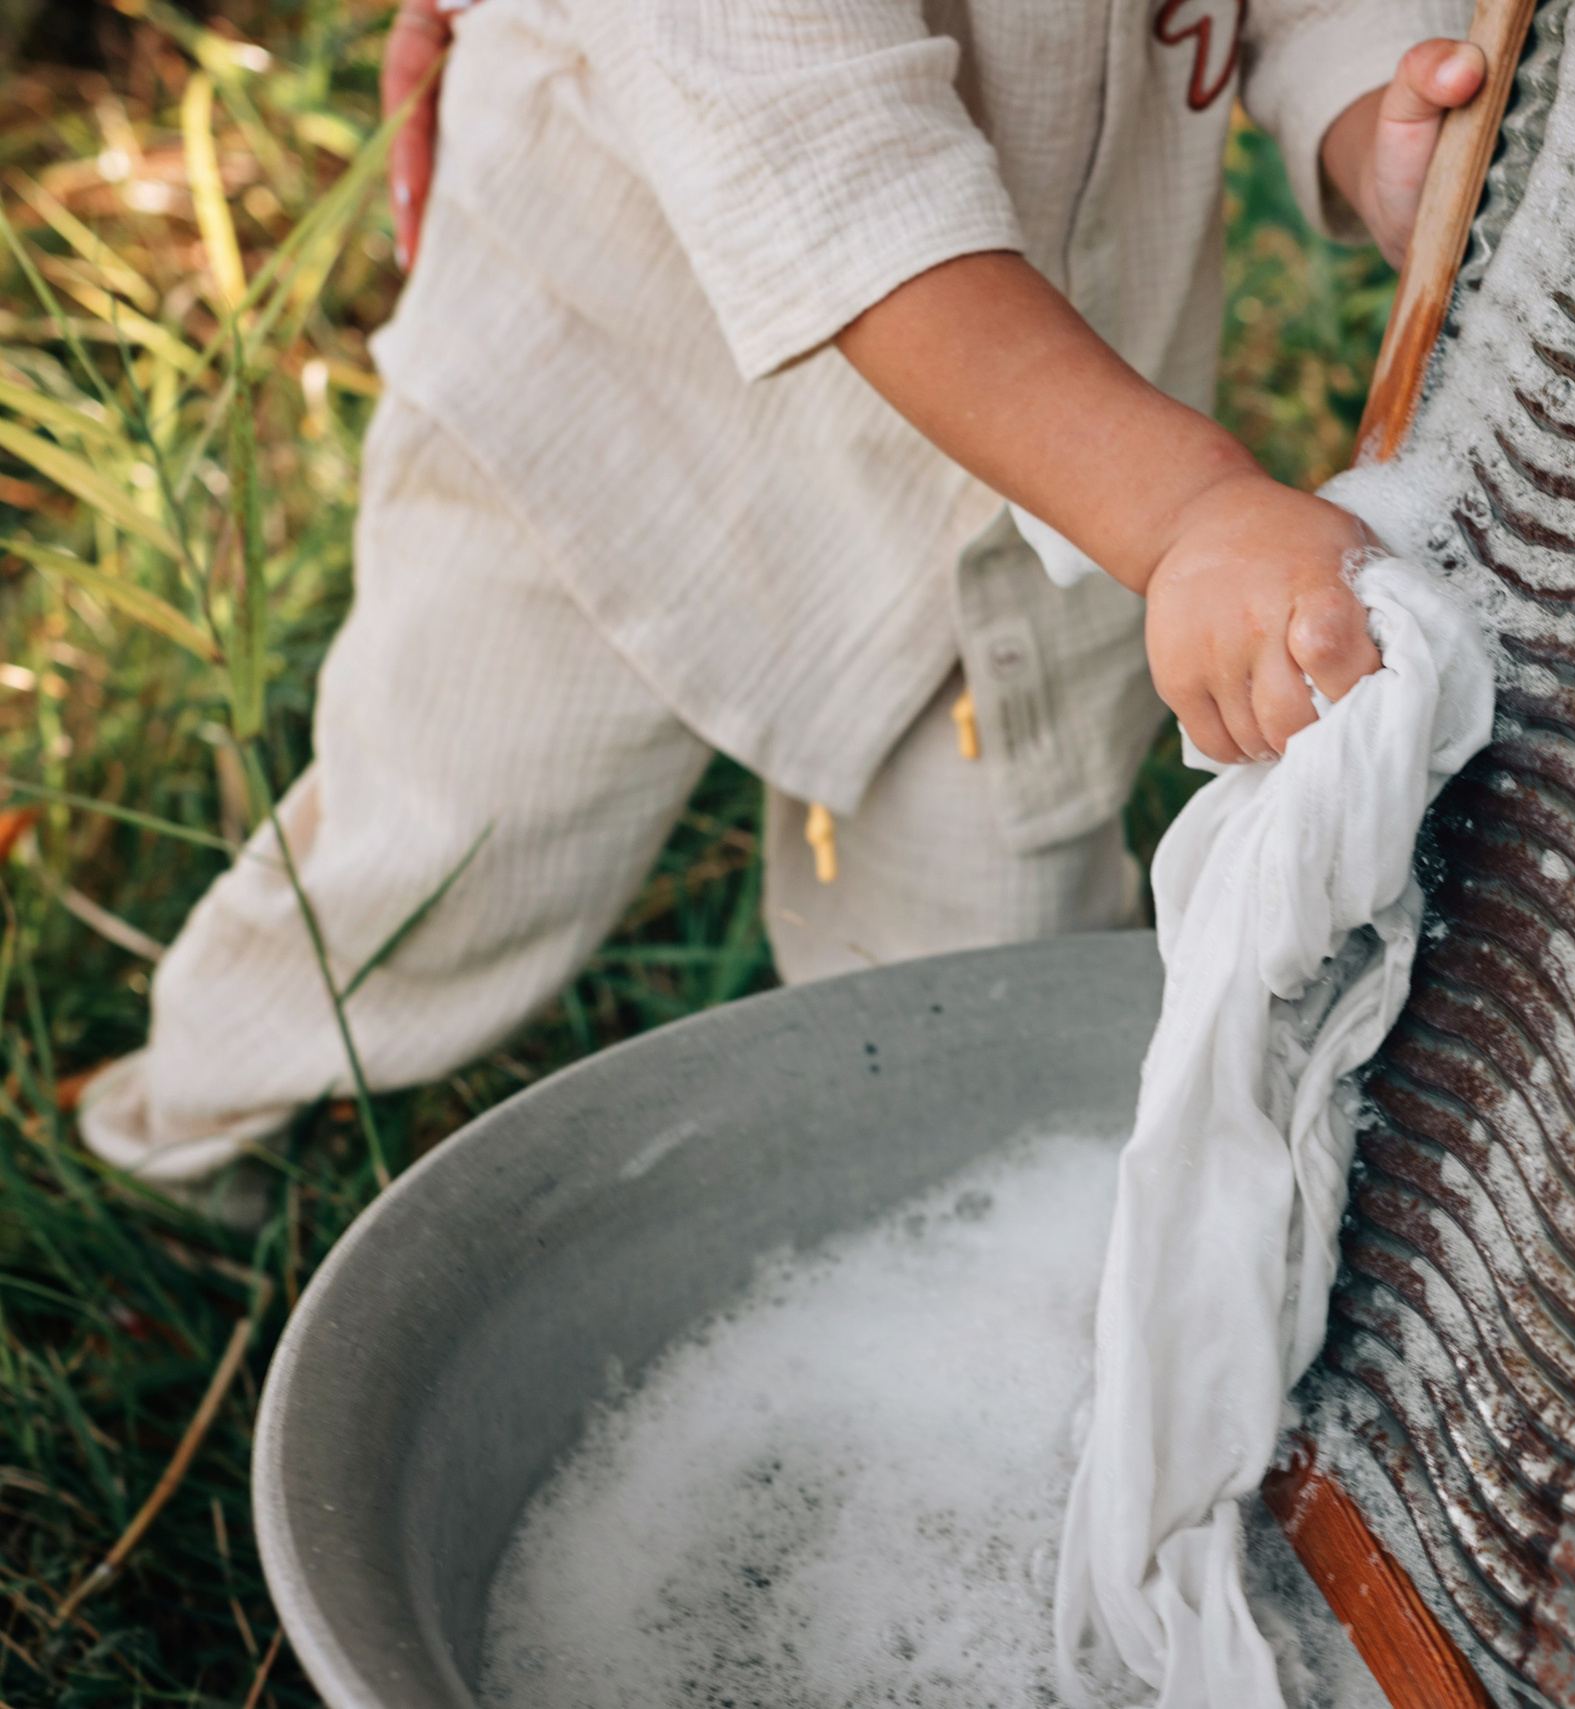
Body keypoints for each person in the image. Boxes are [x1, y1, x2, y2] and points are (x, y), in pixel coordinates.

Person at [79, 0, 1484, 1191]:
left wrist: (1368, 103)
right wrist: (1185, 515)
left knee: (983, 951)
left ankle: (937, 1252)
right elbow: (844, 183)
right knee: (453, 834)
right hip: (632, 415)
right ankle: (194, 1126)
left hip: (1051, 471)